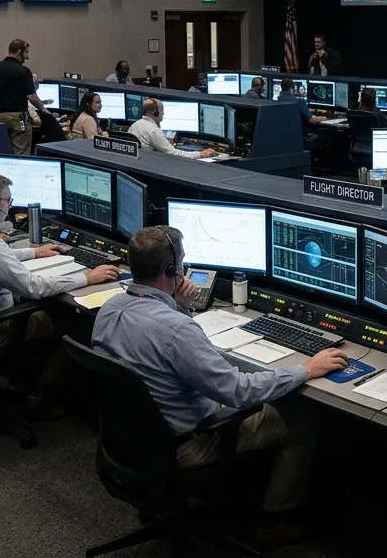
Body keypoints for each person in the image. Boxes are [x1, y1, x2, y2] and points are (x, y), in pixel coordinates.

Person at [92, 226, 348, 547]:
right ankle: (271, 523)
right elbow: (239, 392)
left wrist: (181, 307)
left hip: (128, 443)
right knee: (303, 417)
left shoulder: (110, 309)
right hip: (187, 446)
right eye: (181, 262)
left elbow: (160, 356)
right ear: (172, 269)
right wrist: (305, 369)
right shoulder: (176, 330)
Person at [0, 172, 119, 414]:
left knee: (47, 308)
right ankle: (40, 395)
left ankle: (22, 376)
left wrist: (33, 252)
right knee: (72, 323)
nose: (9, 205)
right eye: (7, 200)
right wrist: (86, 277)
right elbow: (33, 287)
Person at [0, 39, 50, 156]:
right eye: (26, 53)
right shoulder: (24, 71)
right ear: (19, 52)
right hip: (17, 118)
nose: (27, 57)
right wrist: (43, 109)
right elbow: (31, 96)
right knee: (20, 153)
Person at [128, 99, 217, 159]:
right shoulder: (153, 130)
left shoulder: (134, 125)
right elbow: (172, 154)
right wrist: (200, 154)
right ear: (155, 113)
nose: (163, 113)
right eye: (162, 110)